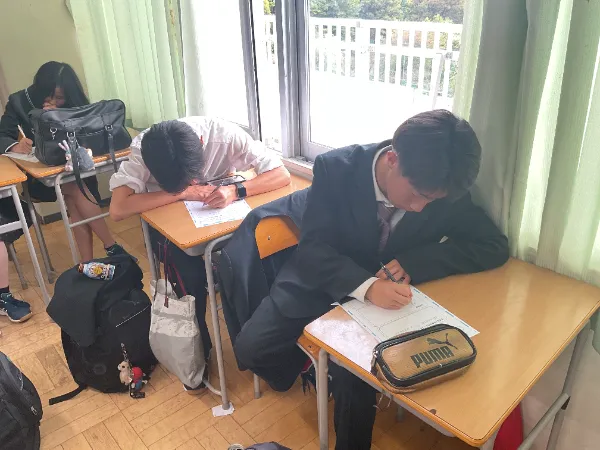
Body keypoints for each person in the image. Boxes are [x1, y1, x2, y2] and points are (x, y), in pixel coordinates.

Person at [233, 110, 509, 449]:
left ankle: (340, 385)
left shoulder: (443, 185)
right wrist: (366, 287)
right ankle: (313, 367)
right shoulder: (336, 169)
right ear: (392, 159)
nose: (420, 208)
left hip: (388, 301)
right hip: (323, 276)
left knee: (356, 382)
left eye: (431, 200)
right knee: (250, 349)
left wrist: (416, 261)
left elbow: (493, 246)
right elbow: (314, 248)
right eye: (416, 195)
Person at [109, 116, 291, 392]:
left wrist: (235, 190)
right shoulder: (144, 149)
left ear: (202, 143)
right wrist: (183, 193)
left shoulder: (225, 135)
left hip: (222, 218)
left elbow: (281, 174)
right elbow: (118, 208)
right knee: (189, 276)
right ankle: (197, 351)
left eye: (193, 176)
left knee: (253, 261)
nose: (193, 181)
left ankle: (260, 344)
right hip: (173, 229)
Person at [0, 61, 128, 262]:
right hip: (41, 177)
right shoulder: (19, 101)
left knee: (73, 195)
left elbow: (88, 132)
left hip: (76, 169)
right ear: (39, 89)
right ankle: (111, 246)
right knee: (74, 187)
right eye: (49, 95)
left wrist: (58, 116)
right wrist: (15, 145)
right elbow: (2, 135)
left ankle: (87, 263)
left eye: (60, 97)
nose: (54, 101)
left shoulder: (74, 103)